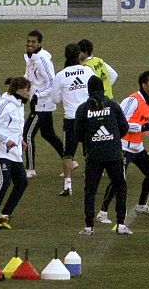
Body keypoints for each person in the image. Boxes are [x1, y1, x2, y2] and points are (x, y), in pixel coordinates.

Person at [99, 70, 149, 223]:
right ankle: (103, 212)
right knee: (117, 180)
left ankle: (141, 205)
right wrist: (142, 128)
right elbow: (122, 123)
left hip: (137, 147)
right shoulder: (132, 100)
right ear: (144, 84)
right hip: (124, 147)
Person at [72, 76, 131, 235]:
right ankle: (121, 224)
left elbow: (77, 134)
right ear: (103, 89)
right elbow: (124, 128)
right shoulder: (113, 105)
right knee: (120, 187)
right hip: (114, 154)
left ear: (88, 90)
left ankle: (89, 226)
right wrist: (112, 137)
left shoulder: (83, 109)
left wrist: (92, 139)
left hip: (93, 155)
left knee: (90, 190)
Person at [0, 76, 31, 229]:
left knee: (22, 182)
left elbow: (13, 127)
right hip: (0, 152)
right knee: (3, 181)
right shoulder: (4, 105)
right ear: (18, 90)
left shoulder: (19, 106)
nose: (29, 93)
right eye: (27, 90)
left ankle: (4, 214)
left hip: (14, 153)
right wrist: (6, 140)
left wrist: (20, 140)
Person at [22, 30, 66, 183]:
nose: (30, 44)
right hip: (38, 103)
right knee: (48, 134)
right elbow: (30, 77)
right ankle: (69, 161)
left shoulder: (42, 60)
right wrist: (18, 81)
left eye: (33, 42)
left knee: (27, 135)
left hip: (42, 104)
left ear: (39, 43)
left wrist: (37, 95)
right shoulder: (31, 58)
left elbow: (52, 83)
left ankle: (31, 169)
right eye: (28, 41)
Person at [52, 43, 94, 197]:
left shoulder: (60, 75)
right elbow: (94, 88)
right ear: (78, 55)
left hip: (71, 119)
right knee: (89, 152)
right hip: (89, 116)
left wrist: (67, 94)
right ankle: (90, 183)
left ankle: (68, 185)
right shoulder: (88, 70)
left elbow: (55, 99)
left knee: (67, 154)